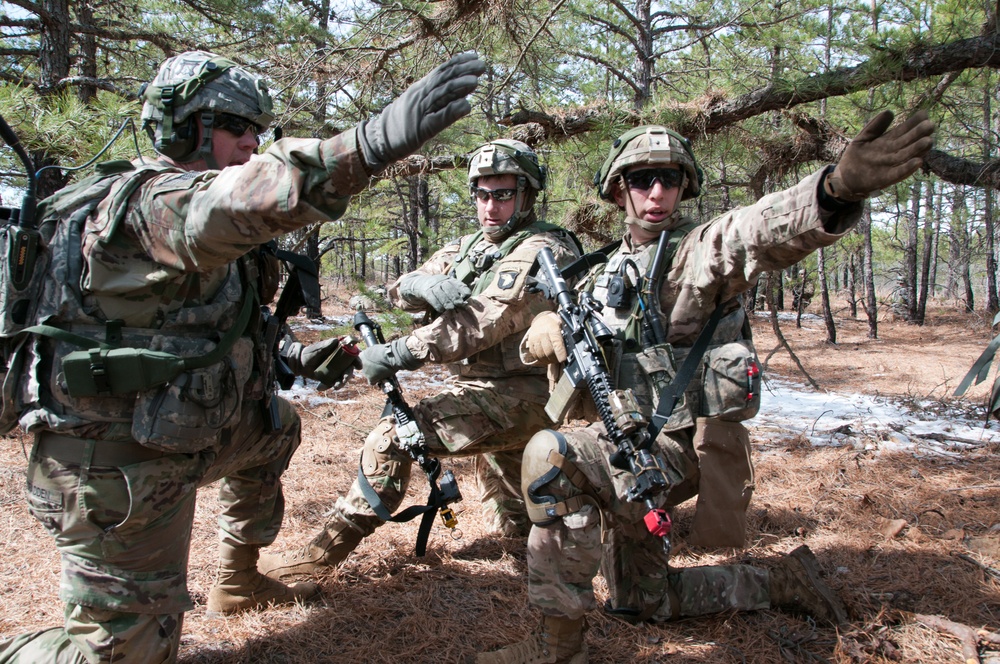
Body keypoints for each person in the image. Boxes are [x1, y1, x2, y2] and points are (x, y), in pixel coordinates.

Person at [0, 49, 484, 663]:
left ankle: (237, 579)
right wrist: (366, 143)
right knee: (123, 655)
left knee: (276, 428)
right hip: (111, 463)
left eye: (260, 130)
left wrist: (295, 359)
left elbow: (221, 323)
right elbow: (234, 202)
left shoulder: (200, 225)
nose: (252, 142)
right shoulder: (150, 206)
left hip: (175, 436)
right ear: (185, 127)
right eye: (236, 127)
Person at [477, 111, 936, 663]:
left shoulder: (694, 257)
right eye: (642, 180)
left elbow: (754, 231)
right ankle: (778, 584)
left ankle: (556, 652)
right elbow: (539, 341)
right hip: (624, 443)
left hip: (675, 450)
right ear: (618, 190)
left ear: (683, 187)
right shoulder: (600, 273)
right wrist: (543, 330)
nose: (656, 192)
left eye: (669, 180)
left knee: (550, 460)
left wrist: (834, 190)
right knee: (641, 602)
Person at [257, 139, 582, 578]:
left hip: (525, 395)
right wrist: (418, 287)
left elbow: (480, 323)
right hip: (481, 390)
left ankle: (317, 559)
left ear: (526, 195)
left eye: (503, 195)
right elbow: (405, 285)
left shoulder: (544, 249)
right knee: (518, 524)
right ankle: (545, 555)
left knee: (395, 439)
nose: (490, 207)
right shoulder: (472, 246)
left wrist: (399, 352)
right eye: (482, 195)